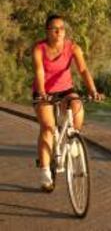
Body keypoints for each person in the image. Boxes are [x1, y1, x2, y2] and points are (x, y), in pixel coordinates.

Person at [32, 14, 102, 192]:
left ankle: (72, 139)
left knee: (77, 107)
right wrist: (42, 92)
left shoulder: (73, 48)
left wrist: (93, 91)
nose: (59, 32)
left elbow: (83, 70)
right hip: (44, 93)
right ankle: (45, 172)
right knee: (48, 128)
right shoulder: (39, 49)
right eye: (55, 29)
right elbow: (40, 71)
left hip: (65, 90)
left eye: (62, 28)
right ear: (47, 31)